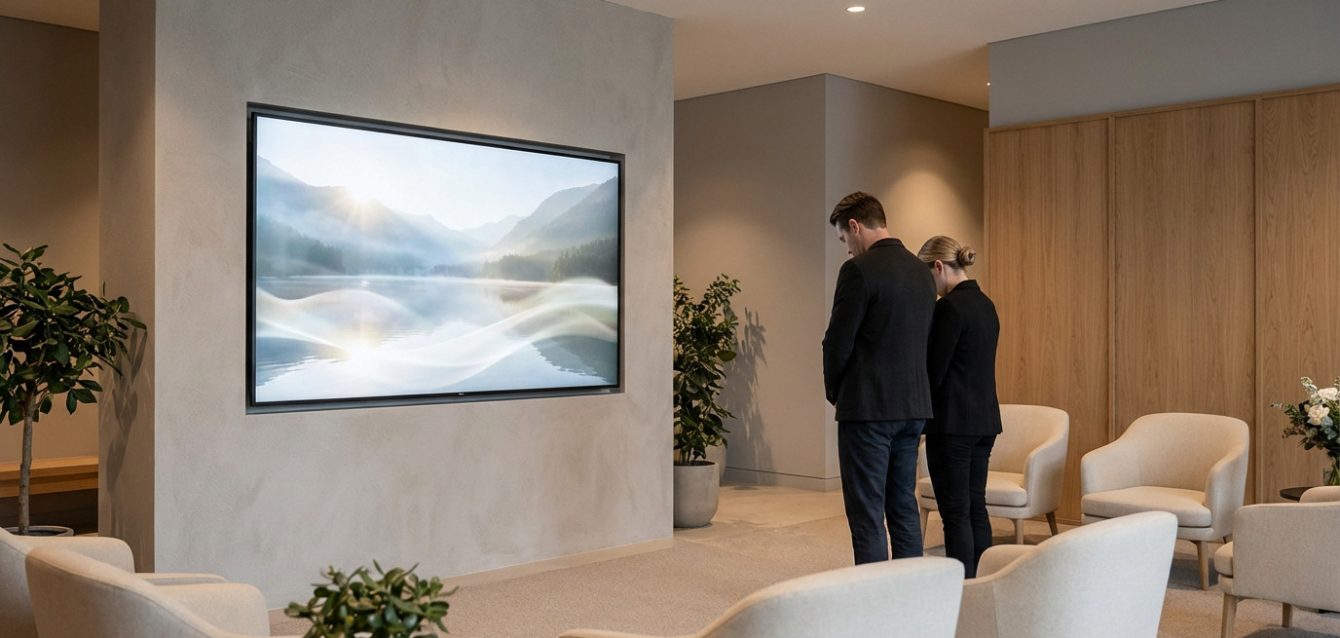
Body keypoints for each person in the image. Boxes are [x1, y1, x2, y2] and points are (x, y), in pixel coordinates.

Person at [822, 192, 936, 564]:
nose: (846, 247)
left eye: (844, 237)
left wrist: (835, 391)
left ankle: (874, 594)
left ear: (855, 226)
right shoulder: (922, 272)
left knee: (867, 511)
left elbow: (838, 342)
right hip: (913, 407)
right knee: (902, 503)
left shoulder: (858, 271)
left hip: (868, 409)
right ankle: (910, 588)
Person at [918, 235, 1001, 578]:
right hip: (984, 421)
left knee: (955, 513)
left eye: (927, 275)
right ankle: (984, 582)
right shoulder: (986, 304)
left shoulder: (949, 308)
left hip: (953, 425)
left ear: (938, 267)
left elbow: (934, 371)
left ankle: (963, 588)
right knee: (975, 506)